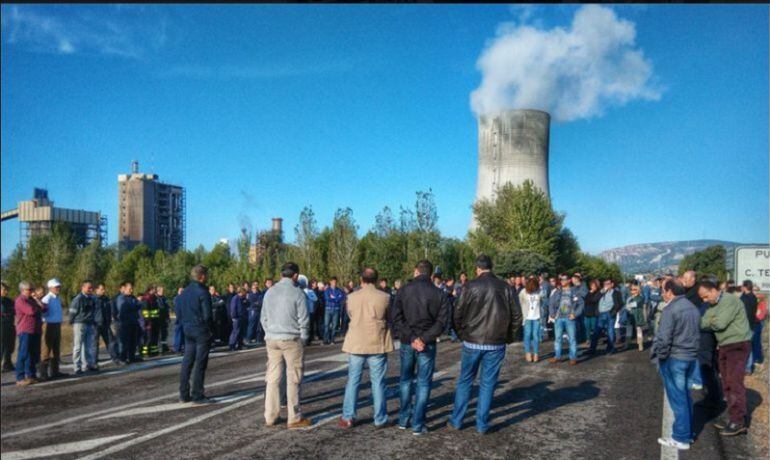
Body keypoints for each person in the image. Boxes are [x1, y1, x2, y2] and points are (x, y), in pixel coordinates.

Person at [449, 254, 521, 434]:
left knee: (465, 381)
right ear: (491, 267)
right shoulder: (506, 287)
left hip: (472, 341)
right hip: (495, 343)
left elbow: (457, 314)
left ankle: (457, 420)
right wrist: (508, 338)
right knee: (488, 384)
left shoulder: (470, 286)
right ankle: (481, 424)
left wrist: (462, 334)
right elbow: (517, 317)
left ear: (478, 268)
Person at [391, 260, 449, 435]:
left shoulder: (403, 290)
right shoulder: (439, 293)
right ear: (431, 274)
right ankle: (417, 424)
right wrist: (422, 338)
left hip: (410, 341)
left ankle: (403, 418)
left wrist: (414, 338)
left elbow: (396, 317)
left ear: (416, 271)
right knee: (423, 383)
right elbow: (441, 322)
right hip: (426, 342)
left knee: (406, 380)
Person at [338, 268, 393, 429]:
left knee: (353, 381)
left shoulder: (351, 297)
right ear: (376, 280)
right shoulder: (385, 297)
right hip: (377, 341)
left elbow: (350, 315)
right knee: (378, 382)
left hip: (356, 342)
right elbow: (389, 317)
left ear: (361, 280)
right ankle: (380, 418)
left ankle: (348, 416)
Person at [699, 279, 753, 436]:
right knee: (726, 383)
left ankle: (738, 421)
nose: (704, 300)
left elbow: (720, 324)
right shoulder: (712, 305)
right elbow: (702, 322)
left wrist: (711, 320)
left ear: (714, 290)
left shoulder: (729, 300)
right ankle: (733, 416)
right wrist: (712, 320)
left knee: (734, 382)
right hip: (724, 345)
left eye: (705, 296)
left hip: (737, 344)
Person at [261, 262, 311, 428]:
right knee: (293, 378)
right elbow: (304, 319)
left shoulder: (270, 292)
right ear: (295, 275)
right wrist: (303, 338)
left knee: (273, 378)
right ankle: (294, 417)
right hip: (291, 339)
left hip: (272, 339)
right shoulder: (298, 293)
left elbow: (264, 318)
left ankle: (270, 416)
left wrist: (269, 332)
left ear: (282, 274)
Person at [652, 280, 700, 450]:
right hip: (690, 358)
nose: (662, 295)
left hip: (675, 358)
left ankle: (680, 437)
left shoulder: (670, 309)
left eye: (663, 291)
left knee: (677, 399)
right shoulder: (692, 307)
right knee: (685, 397)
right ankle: (687, 433)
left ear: (670, 291)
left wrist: (661, 357)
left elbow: (664, 338)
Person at [177, 265, 214, 404]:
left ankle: (183, 393)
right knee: (200, 363)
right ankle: (198, 394)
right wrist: (210, 330)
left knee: (187, 361)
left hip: (187, 328)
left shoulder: (185, 292)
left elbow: (179, 311)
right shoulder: (203, 292)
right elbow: (207, 315)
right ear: (202, 276)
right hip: (200, 329)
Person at [547, 274, 584, 365]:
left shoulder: (574, 291)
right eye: (561, 280)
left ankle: (573, 358)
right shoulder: (557, 292)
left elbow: (581, 304)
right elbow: (551, 303)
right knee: (558, 338)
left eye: (564, 279)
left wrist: (575, 314)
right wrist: (552, 314)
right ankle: (557, 357)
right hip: (559, 318)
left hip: (569, 318)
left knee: (572, 339)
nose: (562, 281)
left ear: (569, 281)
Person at [14, 281, 44, 386]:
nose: (32, 291)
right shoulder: (20, 300)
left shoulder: (32, 300)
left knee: (33, 353)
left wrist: (36, 299)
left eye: (32, 289)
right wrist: (38, 307)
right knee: (23, 354)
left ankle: (31, 375)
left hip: (35, 330)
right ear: (23, 290)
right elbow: (30, 311)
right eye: (29, 289)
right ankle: (20, 377)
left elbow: (44, 308)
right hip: (25, 330)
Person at [69, 280, 98, 374]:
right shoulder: (78, 299)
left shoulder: (92, 298)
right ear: (83, 287)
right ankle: (77, 367)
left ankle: (88, 365)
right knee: (78, 346)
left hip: (89, 323)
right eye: (88, 287)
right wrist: (71, 321)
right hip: (79, 323)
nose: (90, 289)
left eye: (91, 288)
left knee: (88, 346)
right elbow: (72, 312)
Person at [587, 279, 622, 355]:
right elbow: (593, 300)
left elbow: (619, 304)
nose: (606, 285)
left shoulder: (616, 293)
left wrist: (613, 312)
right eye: (604, 284)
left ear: (612, 284)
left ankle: (610, 349)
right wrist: (601, 292)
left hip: (609, 314)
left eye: (608, 284)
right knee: (596, 332)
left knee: (610, 332)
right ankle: (592, 349)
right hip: (600, 314)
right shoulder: (601, 292)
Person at [39, 278, 65, 380]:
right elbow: (42, 312)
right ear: (50, 288)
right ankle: (43, 373)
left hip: (57, 325)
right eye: (56, 286)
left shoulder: (57, 298)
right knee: (46, 349)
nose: (58, 288)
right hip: (48, 325)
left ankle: (55, 371)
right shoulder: (46, 299)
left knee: (56, 349)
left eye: (59, 286)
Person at [116, 282, 141, 363]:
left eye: (132, 289)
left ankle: (132, 357)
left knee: (133, 342)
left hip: (133, 322)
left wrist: (134, 305)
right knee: (124, 342)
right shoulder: (121, 298)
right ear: (125, 289)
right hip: (125, 323)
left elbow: (139, 305)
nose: (131, 290)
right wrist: (134, 305)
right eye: (129, 289)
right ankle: (122, 358)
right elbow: (123, 308)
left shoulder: (132, 297)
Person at [94, 283, 119, 365]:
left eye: (104, 289)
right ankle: (94, 362)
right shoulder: (93, 299)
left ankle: (115, 358)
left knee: (111, 342)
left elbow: (110, 310)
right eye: (101, 289)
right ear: (96, 290)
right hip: (96, 325)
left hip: (105, 324)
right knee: (94, 344)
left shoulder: (107, 299)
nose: (104, 291)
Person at [519, 276, 542, 362]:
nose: (533, 289)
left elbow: (542, 303)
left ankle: (536, 354)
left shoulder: (539, 292)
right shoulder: (523, 292)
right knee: (527, 335)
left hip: (537, 317)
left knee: (536, 336)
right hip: (527, 317)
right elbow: (520, 303)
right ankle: (528, 353)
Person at [740, 281, 759, 374]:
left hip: (747, 326)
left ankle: (747, 368)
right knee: (747, 347)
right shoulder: (748, 297)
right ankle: (747, 367)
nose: (741, 287)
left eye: (742, 286)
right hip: (748, 325)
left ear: (745, 287)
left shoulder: (749, 299)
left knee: (747, 347)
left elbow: (746, 313)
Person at [323, 277, 346, 345]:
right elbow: (327, 299)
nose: (334, 283)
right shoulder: (327, 290)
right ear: (330, 282)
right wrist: (336, 298)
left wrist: (333, 298)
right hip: (328, 309)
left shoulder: (339, 290)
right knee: (326, 325)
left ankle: (332, 340)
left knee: (335, 326)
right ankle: (326, 340)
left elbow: (342, 297)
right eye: (333, 282)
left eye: (335, 282)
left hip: (336, 310)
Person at [623, 283, 645, 351]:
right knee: (628, 330)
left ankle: (640, 345)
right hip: (630, 315)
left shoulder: (641, 297)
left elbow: (635, 304)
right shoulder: (629, 298)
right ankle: (627, 344)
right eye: (631, 289)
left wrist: (628, 305)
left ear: (638, 290)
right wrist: (628, 305)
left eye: (634, 289)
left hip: (637, 315)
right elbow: (626, 306)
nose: (632, 291)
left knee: (639, 331)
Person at [140, 286, 161, 357]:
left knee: (155, 337)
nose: (155, 291)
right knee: (148, 338)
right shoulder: (146, 299)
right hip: (149, 322)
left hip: (155, 321)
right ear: (150, 290)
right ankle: (145, 353)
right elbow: (146, 313)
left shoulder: (154, 298)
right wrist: (148, 323)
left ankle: (154, 352)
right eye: (154, 290)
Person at [298, 275, 317, 346]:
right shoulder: (297, 291)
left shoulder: (309, 291)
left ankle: (308, 340)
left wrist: (308, 294)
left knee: (309, 326)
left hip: (310, 311)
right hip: (301, 311)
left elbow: (315, 298)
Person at [1, 282, 15, 372]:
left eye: (7, 289)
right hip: (1, 326)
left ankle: (8, 364)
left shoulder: (9, 301)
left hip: (10, 325)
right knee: (2, 346)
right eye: (4, 289)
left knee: (10, 345)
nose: (6, 291)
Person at [583, 280, 602, 347]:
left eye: (594, 286)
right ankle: (588, 339)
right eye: (591, 286)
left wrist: (590, 296)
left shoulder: (598, 293)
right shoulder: (588, 293)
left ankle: (596, 339)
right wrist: (590, 294)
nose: (593, 287)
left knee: (594, 327)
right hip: (587, 313)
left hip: (594, 313)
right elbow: (585, 300)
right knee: (587, 327)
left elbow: (594, 300)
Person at [157, 286, 171, 353]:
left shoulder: (164, 298)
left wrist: (168, 317)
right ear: (158, 291)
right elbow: (161, 308)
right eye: (162, 291)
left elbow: (167, 308)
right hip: (159, 319)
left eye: (163, 291)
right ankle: (160, 348)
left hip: (164, 318)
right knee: (159, 334)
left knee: (164, 333)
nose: (163, 292)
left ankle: (164, 347)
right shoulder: (156, 298)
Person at [172, 287, 185, 354]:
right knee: (179, 334)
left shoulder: (178, 298)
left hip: (181, 319)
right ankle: (177, 348)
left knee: (181, 334)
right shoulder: (178, 298)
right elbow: (178, 310)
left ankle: (179, 347)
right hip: (180, 319)